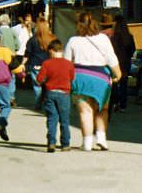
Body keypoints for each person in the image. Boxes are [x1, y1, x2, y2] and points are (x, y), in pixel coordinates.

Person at [64, 13, 121, 151]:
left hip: (80, 77)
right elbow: (111, 58)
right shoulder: (103, 38)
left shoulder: (73, 40)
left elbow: (67, 63)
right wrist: (118, 74)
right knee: (102, 109)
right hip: (101, 77)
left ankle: (87, 143)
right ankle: (101, 139)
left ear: (78, 25)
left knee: (86, 112)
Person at [37, 39, 75, 152]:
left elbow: (39, 79)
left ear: (52, 51)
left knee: (52, 119)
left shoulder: (47, 63)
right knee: (64, 120)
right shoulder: (68, 64)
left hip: (50, 93)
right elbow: (72, 77)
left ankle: (51, 143)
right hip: (64, 94)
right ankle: (65, 144)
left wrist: (44, 81)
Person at [24, 17, 55, 110]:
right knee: (48, 85)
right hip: (49, 66)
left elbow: (27, 54)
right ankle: (48, 103)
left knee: (37, 86)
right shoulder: (52, 39)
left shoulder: (32, 40)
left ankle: (38, 104)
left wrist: (22, 64)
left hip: (35, 65)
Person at [110, 15, 136, 112]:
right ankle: (123, 105)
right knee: (124, 84)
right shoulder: (129, 37)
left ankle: (115, 103)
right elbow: (133, 50)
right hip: (126, 62)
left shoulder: (113, 37)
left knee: (115, 83)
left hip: (115, 63)